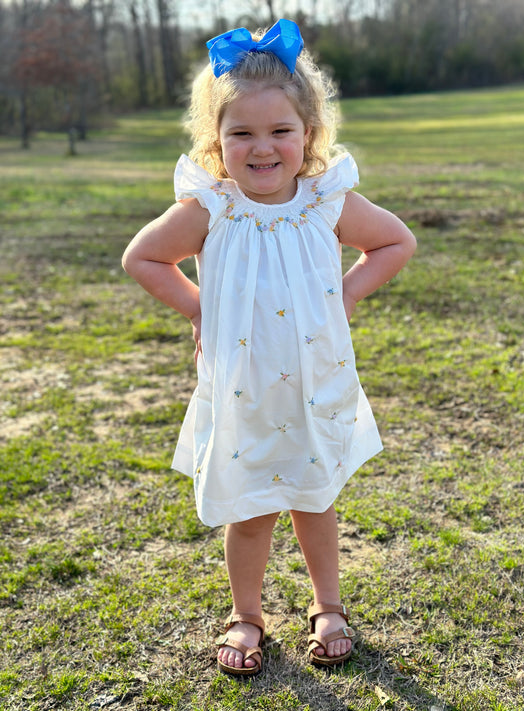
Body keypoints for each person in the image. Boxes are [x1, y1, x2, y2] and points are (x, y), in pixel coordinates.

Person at [122, 18, 416, 677]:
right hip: (244, 391)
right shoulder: (211, 210)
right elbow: (140, 257)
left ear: (307, 133)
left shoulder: (325, 202)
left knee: (314, 498)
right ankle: (246, 614)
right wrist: (200, 309)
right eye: (241, 134)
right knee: (250, 508)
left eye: (279, 131)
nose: (261, 148)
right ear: (215, 139)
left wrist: (342, 294)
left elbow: (396, 243)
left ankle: (327, 605)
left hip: (314, 386)